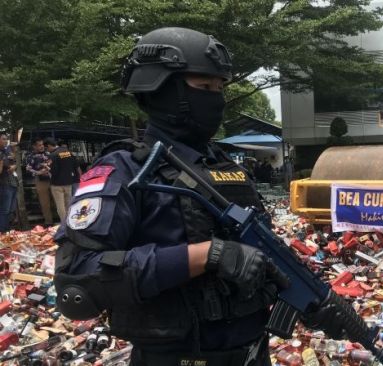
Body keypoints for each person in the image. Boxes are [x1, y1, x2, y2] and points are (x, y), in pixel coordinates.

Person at [53, 27, 342, 366]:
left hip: (253, 354)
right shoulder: (125, 170)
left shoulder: (224, 167)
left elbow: (260, 256)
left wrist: (311, 301)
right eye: (204, 87)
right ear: (159, 90)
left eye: (220, 87)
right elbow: (76, 282)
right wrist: (206, 255)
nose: (216, 99)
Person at [45, 137, 81, 222]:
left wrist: (46, 167)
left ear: (49, 145)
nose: (47, 150)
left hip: (57, 184)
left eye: (47, 148)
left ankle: (64, 224)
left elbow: (52, 170)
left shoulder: (53, 155)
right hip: (68, 183)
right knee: (68, 204)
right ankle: (71, 222)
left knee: (60, 205)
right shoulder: (68, 152)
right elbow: (75, 165)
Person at [26, 137, 54, 225]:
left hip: (53, 179)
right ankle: (49, 222)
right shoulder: (30, 156)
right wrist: (38, 172)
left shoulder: (49, 153)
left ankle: (60, 220)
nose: (42, 146)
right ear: (34, 146)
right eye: (39, 145)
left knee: (57, 200)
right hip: (41, 181)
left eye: (42, 144)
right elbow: (28, 169)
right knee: (45, 203)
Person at [0, 133, 18, 232]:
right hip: (4, 184)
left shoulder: (6, 151)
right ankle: (2, 232)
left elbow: (13, 161)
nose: (6, 141)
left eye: (6, 139)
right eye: (3, 139)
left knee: (11, 210)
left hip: (13, 183)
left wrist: (13, 166)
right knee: (4, 210)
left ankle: (6, 231)